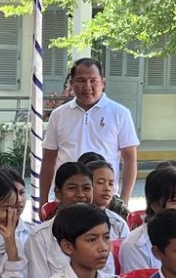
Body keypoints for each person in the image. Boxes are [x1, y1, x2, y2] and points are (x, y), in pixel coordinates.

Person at [40, 57, 138, 208]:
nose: (87, 86)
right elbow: (49, 160)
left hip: (104, 201)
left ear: (103, 83)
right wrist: (43, 202)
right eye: (81, 80)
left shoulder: (120, 113)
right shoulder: (58, 115)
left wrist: (123, 202)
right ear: (71, 83)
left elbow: (130, 160)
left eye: (93, 80)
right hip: (67, 199)